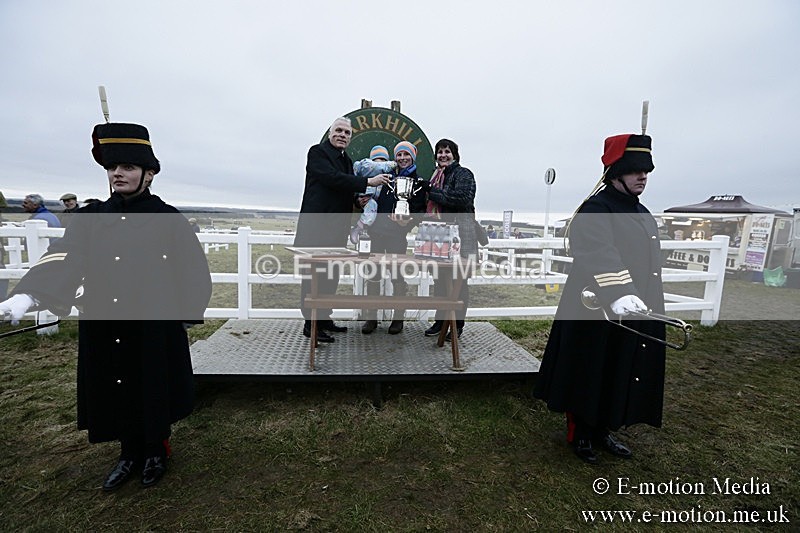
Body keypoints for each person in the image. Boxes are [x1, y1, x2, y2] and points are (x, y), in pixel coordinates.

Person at [0, 122, 212, 490]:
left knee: (151, 385)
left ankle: (156, 450)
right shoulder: (90, 217)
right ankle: (128, 453)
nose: (118, 173)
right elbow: (64, 256)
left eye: (128, 166)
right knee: (116, 384)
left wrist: (185, 312)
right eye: (113, 167)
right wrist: (29, 294)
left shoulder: (168, 219)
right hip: (105, 320)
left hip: (152, 322)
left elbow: (192, 269)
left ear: (149, 174)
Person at [532, 133, 665, 465]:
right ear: (616, 171)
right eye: (635, 169)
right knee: (589, 368)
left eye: (646, 170)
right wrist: (621, 293)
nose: (642, 176)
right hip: (594, 306)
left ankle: (604, 427)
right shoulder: (596, 208)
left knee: (619, 366)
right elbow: (597, 252)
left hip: (634, 307)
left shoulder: (643, 212)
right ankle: (580, 433)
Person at [294, 117, 390, 343]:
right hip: (316, 228)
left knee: (330, 277)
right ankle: (311, 325)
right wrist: (369, 182)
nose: (343, 135)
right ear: (330, 133)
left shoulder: (346, 159)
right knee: (313, 278)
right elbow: (332, 179)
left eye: (347, 133)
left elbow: (345, 189)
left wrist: (359, 203)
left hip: (336, 230)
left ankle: (325, 319)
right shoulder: (317, 153)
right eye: (339, 131)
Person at [360, 140, 427, 335]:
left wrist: (409, 222)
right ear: (394, 157)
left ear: (412, 157)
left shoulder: (418, 182)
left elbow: (420, 211)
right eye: (399, 155)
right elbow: (371, 197)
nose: (402, 158)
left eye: (406, 155)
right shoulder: (385, 176)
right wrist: (360, 200)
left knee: (397, 276)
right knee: (373, 275)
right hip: (376, 233)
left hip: (397, 236)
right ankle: (371, 317)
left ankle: (398, 319)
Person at [422, 138, 478, 341]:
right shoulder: (436, 176)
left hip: (460, 236)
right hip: (438, 237)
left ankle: (456, 325)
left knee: (458, 283)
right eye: (440, 152)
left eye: (447, 151)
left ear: (455, 154)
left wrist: (431, 191)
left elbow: (460, 198)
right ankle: (440, 321)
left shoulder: (463, 174)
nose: (443, 155)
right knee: (439, 280)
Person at [348, 145, 397, 244]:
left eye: (383, 160)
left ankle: (360, 228)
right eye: (376, 160)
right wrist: (358, 200)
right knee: (371, 206)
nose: (379, 163)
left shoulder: (390, 177)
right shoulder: (365, 166)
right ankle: (358, 228)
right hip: (368, 200)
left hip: (386, 227)